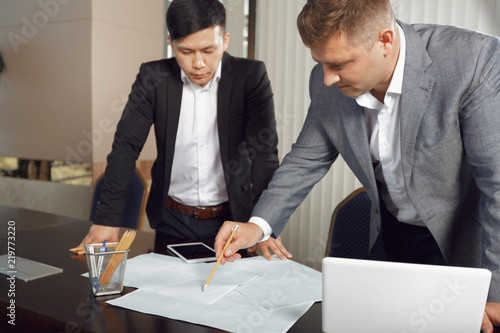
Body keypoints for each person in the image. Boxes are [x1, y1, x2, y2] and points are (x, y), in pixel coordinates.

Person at [214, 0, 500, 331]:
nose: (327, 79)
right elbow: (306, 158)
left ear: (385, 41)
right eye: (320, 63)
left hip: (469, 244)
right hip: (396, 235)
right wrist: (257, 226)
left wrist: (495, 292)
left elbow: (496, 184)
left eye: (339, 64)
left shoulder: (474, 61)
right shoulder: (328, 82)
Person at [74, 0, 291, 260]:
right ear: (171, 42)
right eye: (186, 51)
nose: (198, 63)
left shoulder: (250, 76)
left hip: (233, 220)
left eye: (208, 50)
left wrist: (264, 222)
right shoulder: (153, 76)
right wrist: (107, 219)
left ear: (225, 40)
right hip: (172, 219)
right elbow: (125, 146)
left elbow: (264, 154)